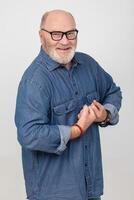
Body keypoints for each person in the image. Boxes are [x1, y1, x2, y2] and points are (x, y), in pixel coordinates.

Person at [15, 9, 122, 200]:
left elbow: (113, 91)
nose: (65, 41)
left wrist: (103, 114)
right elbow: (29, 135)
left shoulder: (88, 65)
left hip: (91, 188)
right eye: (56, 34)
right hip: (53, 193)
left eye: (70, 33)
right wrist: (78, 129)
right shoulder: (34, 81)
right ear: (41, 36)